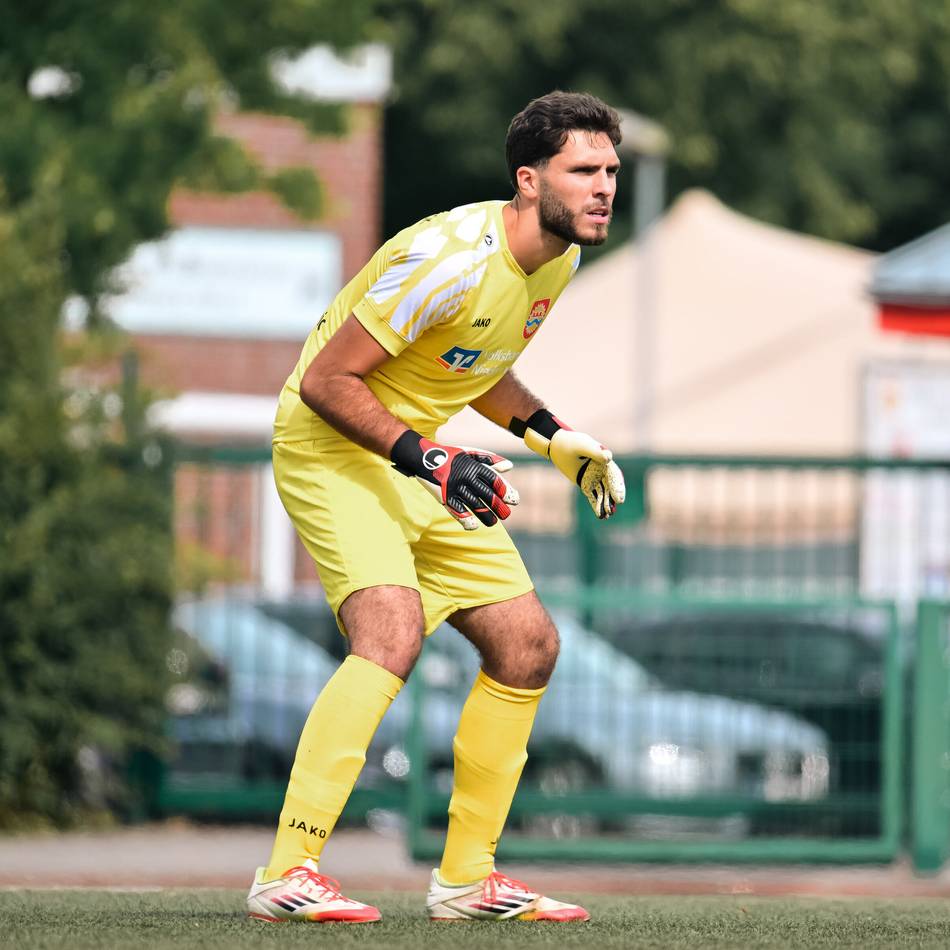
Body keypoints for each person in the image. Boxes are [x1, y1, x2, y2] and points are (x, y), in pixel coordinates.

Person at [245, 90, 626, 925]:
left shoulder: (557, 257)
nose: (604, 187)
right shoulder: (450, 258)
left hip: (415, 452)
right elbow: (325, 383)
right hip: (330, 442)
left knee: (527, 645)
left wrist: (555, 435)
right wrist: (431, 456)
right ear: (528, 180)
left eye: (610, 171)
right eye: (584, 170)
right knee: (391, 631)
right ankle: (288, 871)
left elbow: (472, 360)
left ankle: (465, 882)